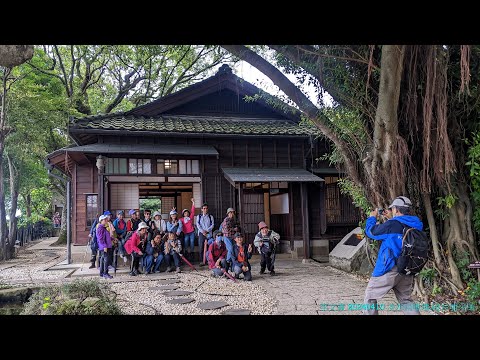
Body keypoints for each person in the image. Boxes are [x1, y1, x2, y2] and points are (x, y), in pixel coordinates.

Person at [363, 196, 422, 315]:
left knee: (370, 296)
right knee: (405, 300)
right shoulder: (416, 225)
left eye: (393, 209)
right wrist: (390, 219)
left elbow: (371, 232)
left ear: (396, 209)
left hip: (389, 268)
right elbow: (400, 231)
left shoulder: (392, 225)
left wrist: (372, 218)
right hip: (407, 268)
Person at [196, 202, 214, 266]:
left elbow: (212, 225)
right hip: (201, 233)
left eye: (206, 208)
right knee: (201, 247)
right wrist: (202, 231)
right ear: (201, 209)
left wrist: (207, 230)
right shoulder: (199, 216)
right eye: (204, 208)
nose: (205, 210)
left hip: (209, 233)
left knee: (210, 247)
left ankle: (209, 260)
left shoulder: (210, 216)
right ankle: (201, 261)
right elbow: (198, 225)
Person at [96, 214, 113, 279]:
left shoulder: (103, 227)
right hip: (104, 247)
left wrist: (113, 239)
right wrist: (104, 246)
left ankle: (102, 273)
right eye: (105, 219)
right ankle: (105, 273)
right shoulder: (100, 227)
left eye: (106, 219)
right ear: (101, 220)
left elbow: (106, 237)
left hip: (106, 246)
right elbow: (100, 238)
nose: (106, 220)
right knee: (106, 260)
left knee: (103, 259)